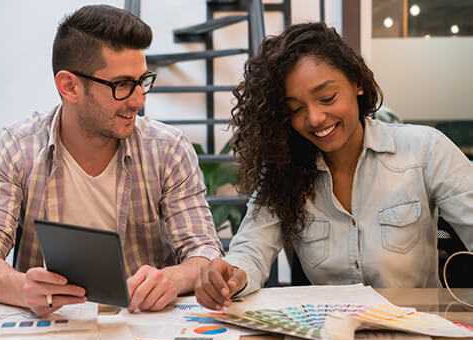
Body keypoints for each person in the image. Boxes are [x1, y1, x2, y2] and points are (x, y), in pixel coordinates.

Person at [194, 22, 473, 310]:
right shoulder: (284, 170)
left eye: (327, 98)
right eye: (296, 109)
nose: (314, 118)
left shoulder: (424, 150)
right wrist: (232, 276)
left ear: (358, 83)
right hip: (331, 339)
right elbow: (251, 249)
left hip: (417, 333)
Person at [0, 4, 222, 316]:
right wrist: (23, 288)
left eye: (142, 81)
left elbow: (206, 252)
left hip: (143, 325)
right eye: (122, 85)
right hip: (50, 330)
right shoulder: (17, 148)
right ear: (69, 86)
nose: (138, 100)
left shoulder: (168, 149)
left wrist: (172, 277)